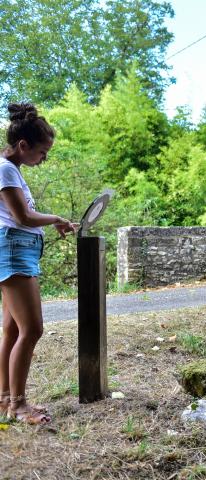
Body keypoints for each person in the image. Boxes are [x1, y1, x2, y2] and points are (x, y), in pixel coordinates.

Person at [0, 103, 77, 424]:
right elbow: (23, 217)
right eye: (42, 152)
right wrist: (57, 218)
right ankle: (18, 406)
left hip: (18, 249)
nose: (43, 159)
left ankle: (5, 399)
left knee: (12, 330)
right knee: (32, 329)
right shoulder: (5, 169)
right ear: (23, 146)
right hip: (14, 251)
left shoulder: (11, 170)